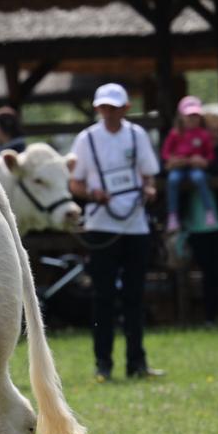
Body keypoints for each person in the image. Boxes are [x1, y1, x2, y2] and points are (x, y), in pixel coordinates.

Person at [68, 83, 163, 381]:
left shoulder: (137, 135)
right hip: (101, 225)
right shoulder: (86, 139)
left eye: (114, 107)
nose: (108, 113)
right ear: (98, 109)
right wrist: (93, 195)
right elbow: (74, 183)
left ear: (125, 108)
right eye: (104, 108)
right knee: (103, 297)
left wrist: (148, 189)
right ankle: (103, 365)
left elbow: (149, 176)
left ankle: (137, 363)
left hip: (135, 225)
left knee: (135, 296)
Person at [186, 111, 218, 325]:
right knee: (207, 272)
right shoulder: (189, 151)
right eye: (212, 131)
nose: (216, 135)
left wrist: (205, 164)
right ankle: (210, 316)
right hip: (197, 223)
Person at [160, 95, 218, 232]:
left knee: (199, 178)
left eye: (195, 115)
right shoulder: (175, 134)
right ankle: (172, 215)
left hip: (195, 168)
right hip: (179, 168)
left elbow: (210, 155)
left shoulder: (204, 135)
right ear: (181, 116)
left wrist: (203, 161)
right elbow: (165, 154)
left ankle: (209, 211)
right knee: (173, 180)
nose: (192, 119)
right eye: (189, 116)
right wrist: (173, 160)